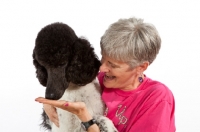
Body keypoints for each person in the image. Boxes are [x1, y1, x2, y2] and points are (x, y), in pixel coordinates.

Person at [35, 17, 176, 132]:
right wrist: (49, 106)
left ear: (141, 67)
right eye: (103, 58)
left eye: (113, 65)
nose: (101, 68)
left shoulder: (157, 98)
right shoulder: (99, 81)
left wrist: (85, 118)